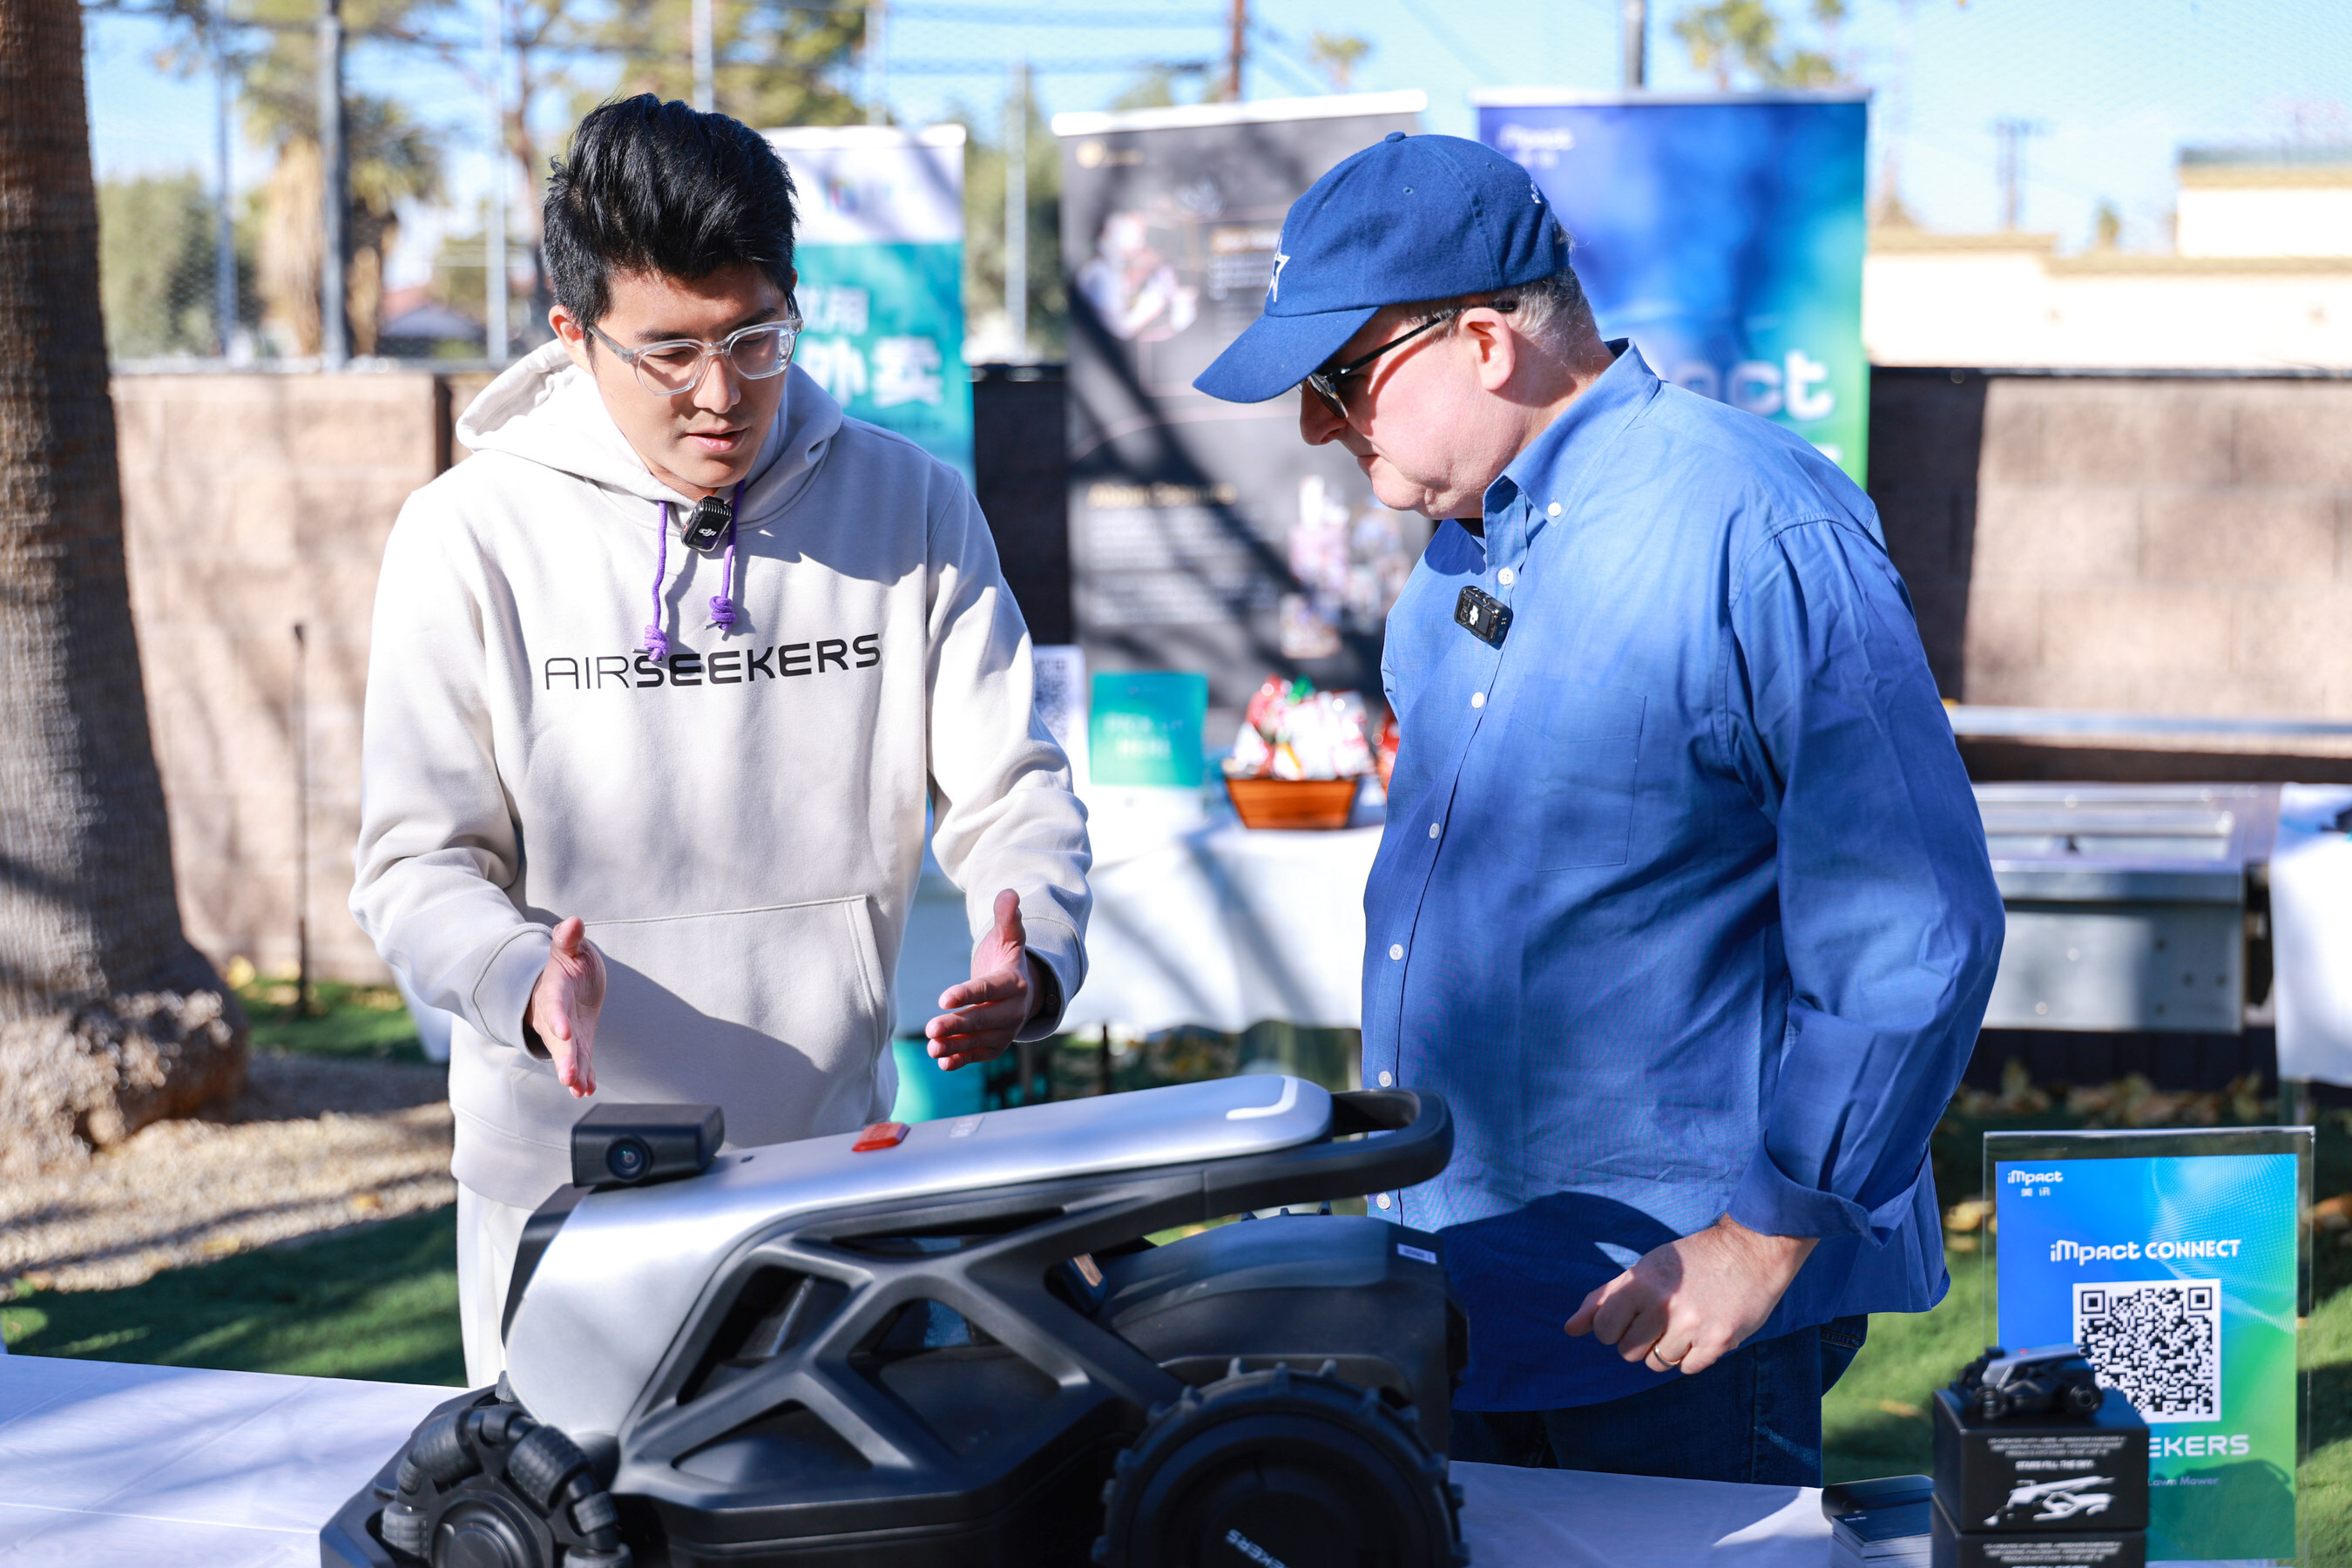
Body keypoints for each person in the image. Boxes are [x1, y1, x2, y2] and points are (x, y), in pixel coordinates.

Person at [1193, 132, 2003, 1484]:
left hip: (1680, 1317)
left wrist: (1765, 1236)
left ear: (1486, 344)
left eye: (1340, 379)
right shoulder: (1463, 549)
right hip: (1470, 1294)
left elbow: (1913, 930)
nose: (1316, 428)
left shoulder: (1756, 523)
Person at [351, 97, 1091, 1386]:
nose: (721, 393)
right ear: (572, 334)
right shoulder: (464, 535)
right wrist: (523, 980)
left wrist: (1034, 946)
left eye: (756, 337)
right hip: (561, 1197)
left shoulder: (910, 505)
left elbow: (1013, 785)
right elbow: (413, 865)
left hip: (833, 1184)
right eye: (670, 352)